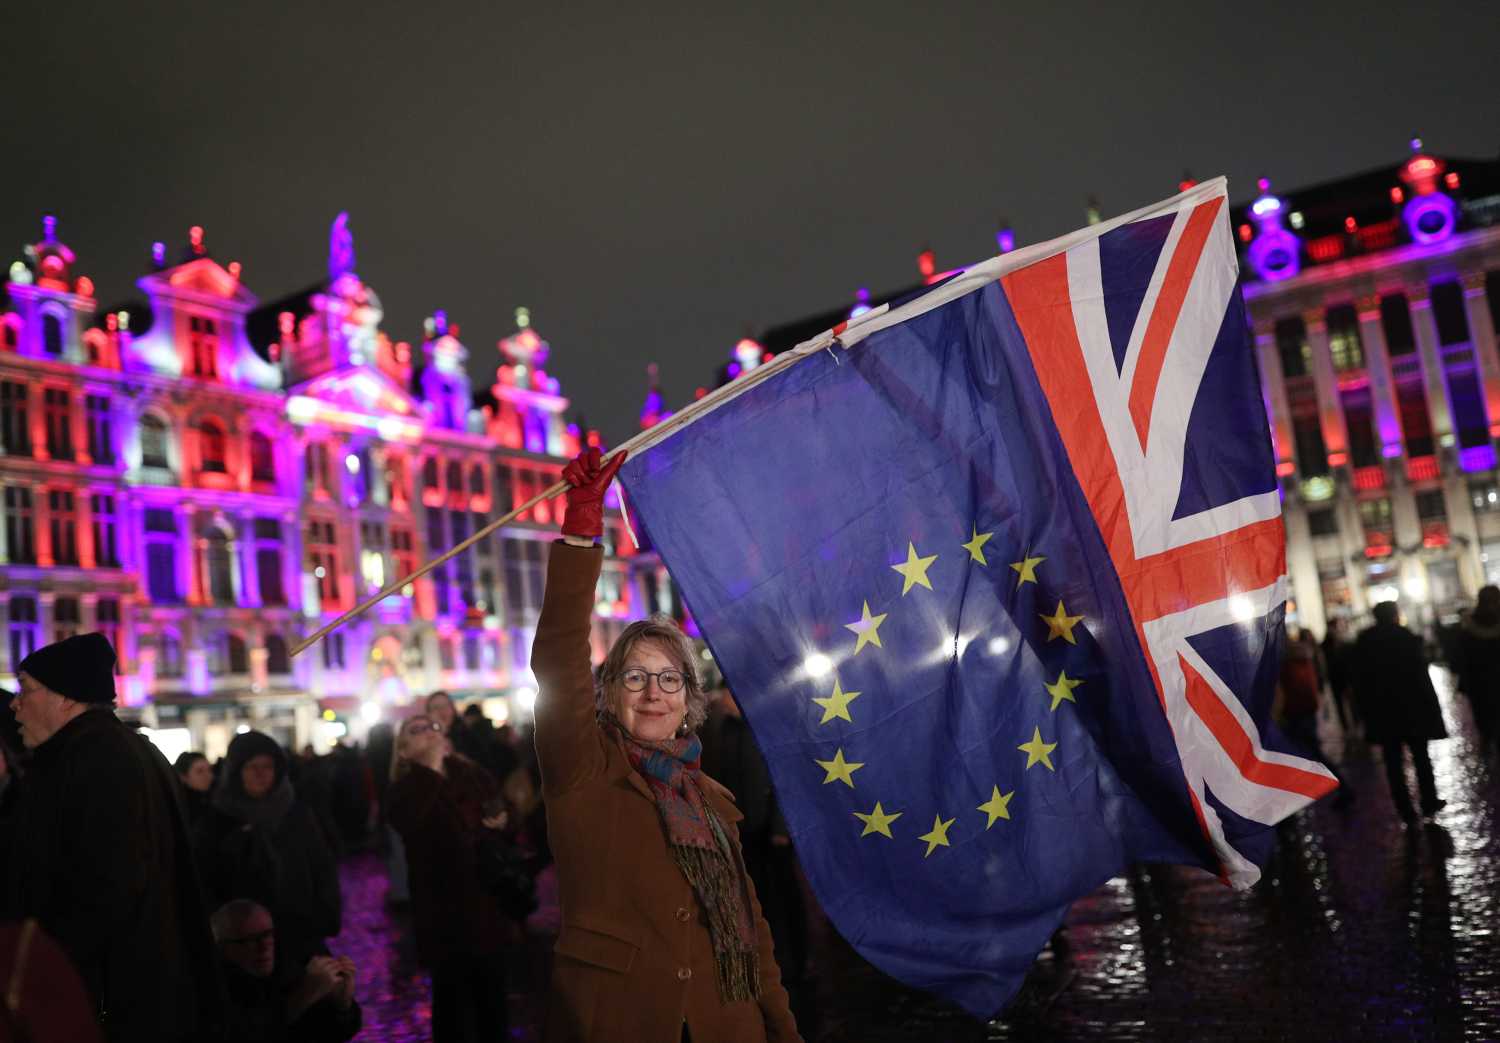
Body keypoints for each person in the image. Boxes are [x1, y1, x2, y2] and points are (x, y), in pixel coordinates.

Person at [533, 448, 800, 1042]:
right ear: (608, 694)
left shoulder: (714, 800)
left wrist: (782, 1030)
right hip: (617, 1021)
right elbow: (558, 662)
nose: (653, 692)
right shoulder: (582, 768)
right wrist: (580, 535)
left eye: (669, 678)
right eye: (634, 676)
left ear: (687, 699)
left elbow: (754, 938)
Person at [2, 633, 223, 1041]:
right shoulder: (117, 751)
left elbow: (106, 888)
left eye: (26, 690)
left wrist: (54, 976)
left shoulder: (93, 760)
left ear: (66, 697)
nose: (16, 704)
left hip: (113, 1001)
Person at [386, 712, 513, 1042]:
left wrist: (501, 819)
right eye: (416, 730)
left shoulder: (471, 773)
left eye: (433, 727)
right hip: (443, 915)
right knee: (453, 1011)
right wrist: (429, 770)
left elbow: (500, 804)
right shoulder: (404, 790)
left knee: (493, 1010)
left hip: (487, 905)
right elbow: (410, 823)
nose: (428, 731)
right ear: (403, 751)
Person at [699, 688, 810, 1016]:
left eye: (730, 694)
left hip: (769, 833)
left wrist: (780, 827)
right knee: (757, 901)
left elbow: (783, 779)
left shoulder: (764, 726)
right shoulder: (720, 729)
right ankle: (771, 961)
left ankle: (795, 959)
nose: (723, 700)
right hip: (743, 832)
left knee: (785, 898)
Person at [199, 730, 343, 970]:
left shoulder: (296, 813)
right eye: (252, 767)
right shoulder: (216, 821)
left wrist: (325, 915)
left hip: (300, 932)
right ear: (236, 772)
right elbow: (206, 879)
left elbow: (321, 866)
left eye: (267, 766)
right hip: (243, 943)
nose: (261, 774)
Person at [212, 899, 361, 1043]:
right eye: (250, 940)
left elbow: (333, 1034)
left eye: (267, 934)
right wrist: (304, 994)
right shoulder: (215, 990)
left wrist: (342, 1005)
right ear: (222, 948)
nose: (264, 947)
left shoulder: (294, 968)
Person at [1352, 601, 1448, 823]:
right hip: (1411, 708)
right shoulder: (1406, 637)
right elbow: (1421, 677)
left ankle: (1405, 809)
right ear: (1395, 615)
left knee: (1393, 763)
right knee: (1421, 758)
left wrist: (1364, 713)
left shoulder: (1365, 642)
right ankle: (1429, 800)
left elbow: (1360, 682)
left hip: (1383, 712)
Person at [1276, 628, 1351, 805]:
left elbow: (1280, 690)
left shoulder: (1282, 657)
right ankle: (1339, 787)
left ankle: (1341, 787)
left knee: (1308, 755)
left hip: (1293, 712)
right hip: (1306, 708)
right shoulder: (1302, 652)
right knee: (1310, 753)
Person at [1456, 585, 1500, 758]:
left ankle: (1487, 744)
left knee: (1485, 720)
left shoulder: (1468, 628)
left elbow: (1461, 659)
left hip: (1479, 684)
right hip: (1485, 682)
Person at [1320, 617, 1358, 732]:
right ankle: (1346, 727)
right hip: (1336, 676)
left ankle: (1355, 724)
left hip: (1346, 676)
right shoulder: (1327, 643)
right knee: (1341, 703)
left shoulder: (1345, 641)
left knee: (1351, 702)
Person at [174, 750, 216, 831]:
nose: (209, 776)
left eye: (209, 770)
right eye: (200, 771)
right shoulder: (181, 808)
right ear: (183, 776)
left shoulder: (213, 800)